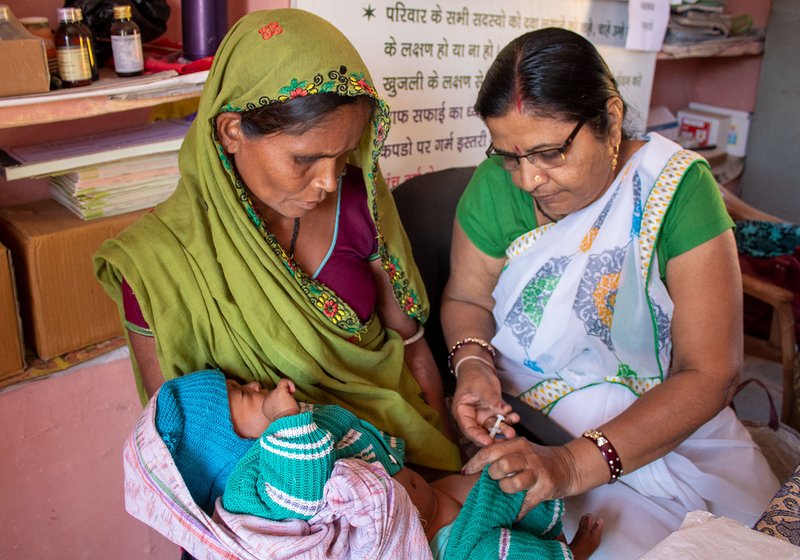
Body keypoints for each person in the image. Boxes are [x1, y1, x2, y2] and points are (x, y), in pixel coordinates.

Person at [441, 27, 779, 559]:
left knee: (744, 535)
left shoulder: (674, 190)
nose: (528, 179)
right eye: (509, 155)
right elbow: (467, 300)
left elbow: (711, 371)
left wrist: (574, 465)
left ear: (612, 119)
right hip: (532, 425)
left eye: (550, 152)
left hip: (666, 419)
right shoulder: (493, 186)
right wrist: (474, 366)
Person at [93, 9, 459, 473]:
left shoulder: (358, 201)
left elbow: (410, 346)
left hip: (406, 459)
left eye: (343, 155)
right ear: (231, 132)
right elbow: (184, 435)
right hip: (277, 504)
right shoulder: (157, 263)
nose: (328, 180)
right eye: (304, 159)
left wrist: (450, 463)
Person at [153, 369, 603, 559]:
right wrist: (284, 419)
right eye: (242, 393)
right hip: (432, 545)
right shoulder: (248, 485)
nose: (254, 383)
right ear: (222, 447)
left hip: (434, 498)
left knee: (511, 479)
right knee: (492, 554)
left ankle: (547, 534)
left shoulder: (284, 444)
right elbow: (301, 487)